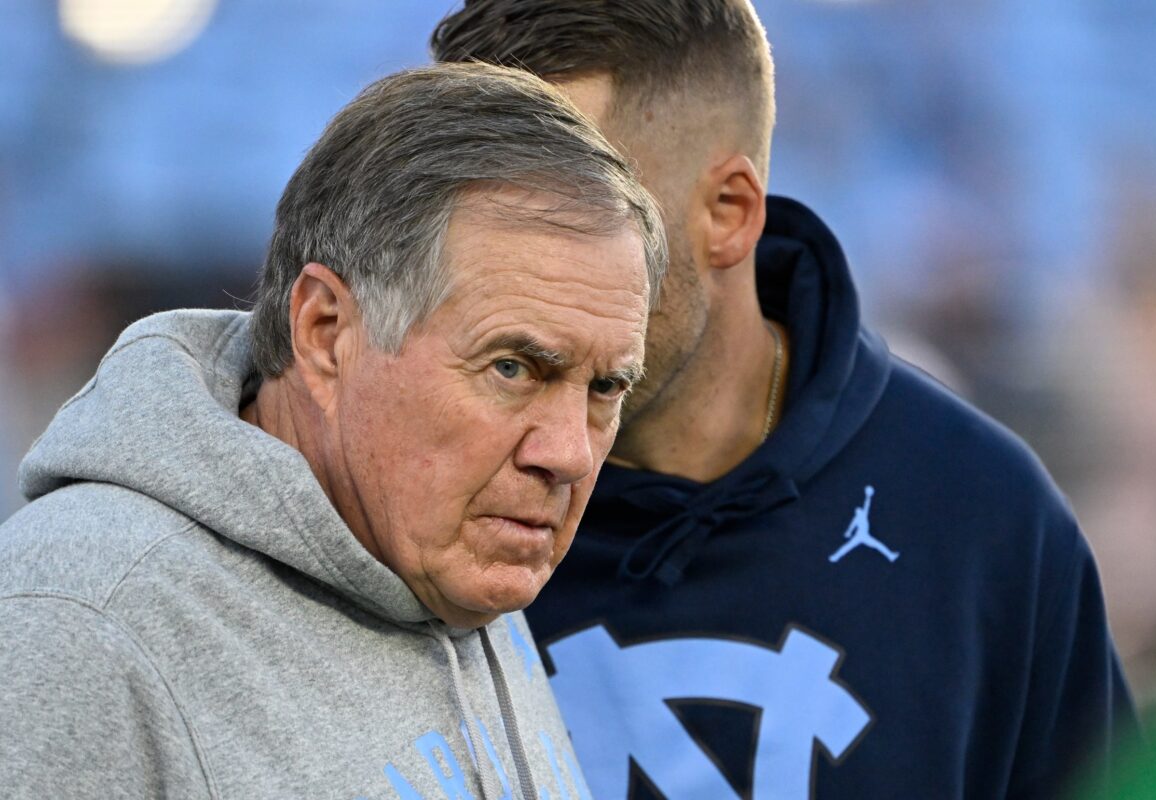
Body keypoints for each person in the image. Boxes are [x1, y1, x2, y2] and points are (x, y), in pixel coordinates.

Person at [431, 3, 1136, 798]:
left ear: (729, 213)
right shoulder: (411, 499)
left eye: (572, 220)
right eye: (481, 225)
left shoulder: (978, 519)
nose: (520, 290)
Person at [0, 62, 665, 800]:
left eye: (605, 387)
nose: (569, 453)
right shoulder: (76, 622)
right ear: (325, 332)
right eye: (513, 368)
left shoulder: (457, 565)